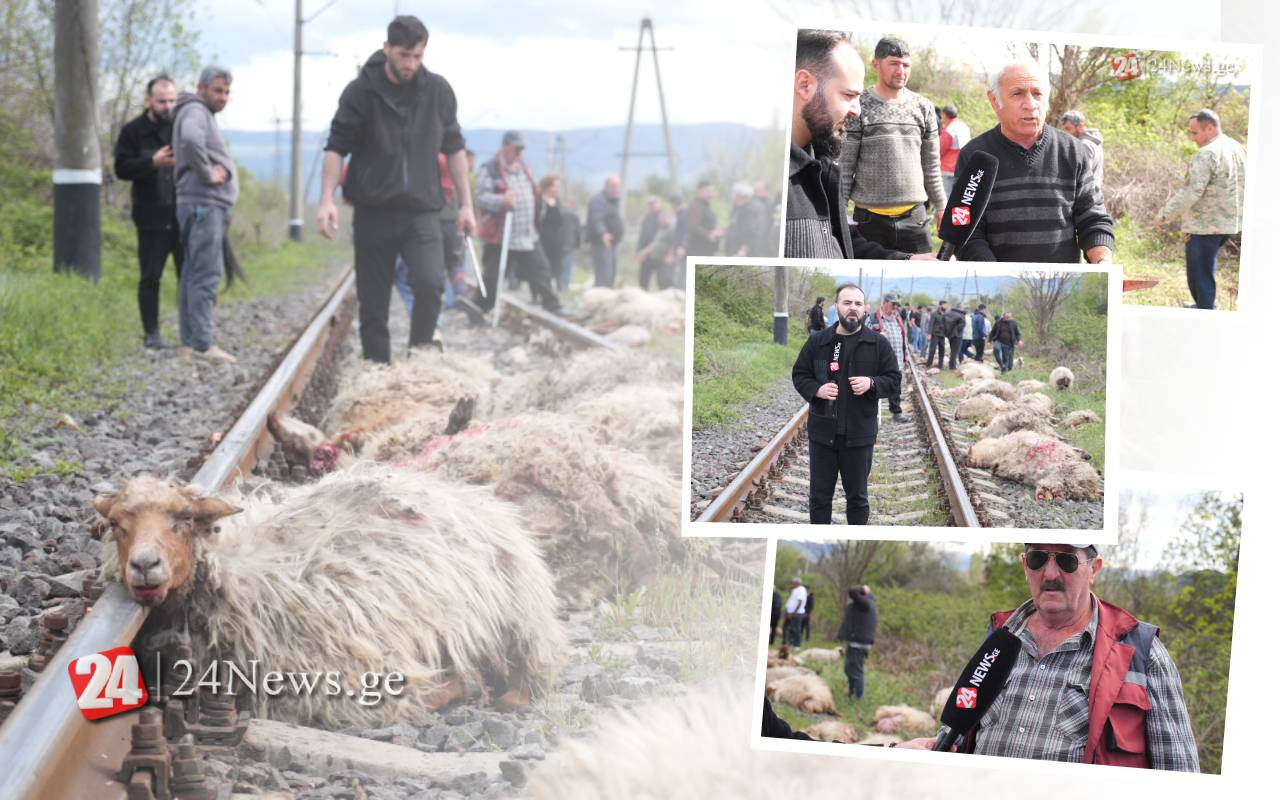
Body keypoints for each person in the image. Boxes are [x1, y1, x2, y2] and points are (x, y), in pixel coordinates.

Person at [899, 543, 1199, 771]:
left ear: (1094, 569)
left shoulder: (1141, 651)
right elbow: (958, 731)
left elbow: (1180, 775)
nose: (1050, 574)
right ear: (1024, 565)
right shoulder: (999, 637)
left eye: (1067, 561)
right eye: (1038, 558)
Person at [316, 16, 476, 363]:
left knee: (432, 284)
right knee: (373, 304)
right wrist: (327, 198)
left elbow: (454, 148)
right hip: (374, 211)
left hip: (422, 210)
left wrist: (467, 205)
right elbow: (336, 147)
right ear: (387, 48)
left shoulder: (438, 91)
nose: (410, 64)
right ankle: (379, 374)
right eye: (404, 55)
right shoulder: (360, 92)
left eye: (417, 56)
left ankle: (417, 358)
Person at [785, 29, 927, 261]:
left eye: (858, 97)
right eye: (848, 95)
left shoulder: (824, 169)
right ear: (804, 85)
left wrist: (906, 260)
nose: (857, 110)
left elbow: (840, 240)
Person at [953, 62, 1114, 263]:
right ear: (995, 101)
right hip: (997, 287)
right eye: (1018, 94)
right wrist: (996, 279)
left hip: (1064, 288)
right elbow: (964, 229)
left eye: (1037, 93)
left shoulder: (1073, 151)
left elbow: (1093, 218)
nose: (1030, 104)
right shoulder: (974, 157)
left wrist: (1103, 263)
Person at [791, 283, 902, 525]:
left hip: (859, 436)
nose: (852, 308)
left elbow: (894, 380)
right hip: (822, 435)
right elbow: (800, 374)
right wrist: (816, 389)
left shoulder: (877, 343)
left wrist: (872, 383)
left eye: (858, 304)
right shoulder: (818, 341)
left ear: (866, 309)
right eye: (847, 303)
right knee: (819, 498)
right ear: (836, 307)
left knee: (858, 499)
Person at [840, 37, 947, 254]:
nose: (901, 71)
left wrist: (943, 206)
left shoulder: (924, 107)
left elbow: (932, 167)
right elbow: (845, 168)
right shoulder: (858, 106)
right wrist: (839, 213)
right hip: (869, 222)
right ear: (876, 64)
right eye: (894, 64)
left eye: (906, 65)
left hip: (915, 221)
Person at [172, 65, 238, 364]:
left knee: (191, 272)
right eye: (217, 90)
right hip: (203, 204)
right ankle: (202, 344)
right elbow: (190, 139)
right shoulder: (196, 112)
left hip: (198, 204)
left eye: (226, 92)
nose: (222, 97)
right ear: (201, 88)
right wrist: (209, 174)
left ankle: (190, 342)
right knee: (206, 274)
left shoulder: (195, 111)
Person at [114, 75, 182, 350]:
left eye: (171, 101)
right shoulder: (133, 131)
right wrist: (151, 162)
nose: (167, 106)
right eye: (162, 101)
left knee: (188, 276)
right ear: (149, 101)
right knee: (151, 276)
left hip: (183, 215)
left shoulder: (181, 127)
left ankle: (193, 333)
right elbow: (121, 169)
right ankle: (151, 333)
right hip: (151, 216)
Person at [1154, 108, 1246, 310]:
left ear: (1210, 128)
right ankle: (1202, 307)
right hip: (1228, 223)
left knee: (1200, 274)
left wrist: (1164, 215)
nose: (1192, 138)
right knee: (1205, 270)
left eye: (1195, 133)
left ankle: (1205, 314)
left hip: (1205, 225)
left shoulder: (1207, 154)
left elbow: (1192, 192)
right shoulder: (1236, 147)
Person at [473, 131, 562, 314]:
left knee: (541, 270)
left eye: (522, 149)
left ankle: (553, 306)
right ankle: (479, 308)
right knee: (493, 277)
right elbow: (481, 197)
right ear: (505, 146)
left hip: (526, 233)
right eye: (517, 148)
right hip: (502, 234)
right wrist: (501, 201)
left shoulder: (523, 167)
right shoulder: (490, 169)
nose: (519, 153)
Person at [865, 293, 909, 422]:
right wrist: (877, 335)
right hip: (879, 360)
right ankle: (869, 414)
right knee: (875, 386)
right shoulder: (872, 318)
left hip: (897, 359)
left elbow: (903, 338)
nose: (895, 307)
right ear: (885, 303)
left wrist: (905, 355)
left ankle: (896, 413)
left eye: (897, 305)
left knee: (895, 387)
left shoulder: (898, 319)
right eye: (893, 304)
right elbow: (864, 336)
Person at [836, 585, 877, 700]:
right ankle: (851, 692)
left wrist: (863, 589)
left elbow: (852, 591)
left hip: (859, 644)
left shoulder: (866, 604)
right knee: (848, 668)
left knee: (857, 670)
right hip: (854, 642)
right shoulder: (860, 605)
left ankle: (858, 697)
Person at [587, 175, 624, 287]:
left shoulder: (613, 201)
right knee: (604, 273)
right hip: (602, 243)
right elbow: (596, 218)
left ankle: (608, 295)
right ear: (607, 186)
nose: (616, 188)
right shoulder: (599, 200)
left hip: (612, 244)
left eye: (618, 186)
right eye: (613, 186)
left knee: (611, 273)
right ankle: (601, 297)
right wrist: (603, 233)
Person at [536, 174, 570, 292]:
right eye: (555, 186)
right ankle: (538, 289)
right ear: (548, 187)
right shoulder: (539, 201)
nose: (557, 189)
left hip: (556, 241)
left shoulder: (557, 201)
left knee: (554, 266)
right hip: (542, 239)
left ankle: (551, 287)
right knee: (541, 265)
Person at [1060, 110, 1104, 192]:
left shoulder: (1084, 145)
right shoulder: (1094, 142)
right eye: (1064, 129)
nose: (1065, 133)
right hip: (1093, 196)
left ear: (1080, 126)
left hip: (1086, 198)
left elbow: (1082, 178)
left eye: (1068, 129)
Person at [724, 182, 766, 256]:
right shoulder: (740, 207)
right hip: (734, 247)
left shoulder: (751, 210)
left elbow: (751, 233)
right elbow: (735, 225)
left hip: (742, 251)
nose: (733, 198)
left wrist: (743, 250)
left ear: (743, 196)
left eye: (735, 195)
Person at [939, 104, 971, 196]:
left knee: (947, 197)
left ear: (944, 115)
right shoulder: (963, 126)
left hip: (949, 169)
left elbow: (940, 149)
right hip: (963, 166)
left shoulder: (949, 130)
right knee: (960, 196)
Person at [685, 180, 721, 257]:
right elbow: (693, 226)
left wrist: (717, 229)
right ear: (699, 191)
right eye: (707, 191)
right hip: (698, 250)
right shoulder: (696, 205)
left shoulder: (707, 207)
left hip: (707, 250)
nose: (710, 194)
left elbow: (708, 223)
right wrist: (709, 235)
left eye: (712, 191)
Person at [784, 578, 808, 647]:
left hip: (797, 613)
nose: (792, 584)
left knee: (797, 629)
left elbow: (800, 602)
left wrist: (794, 612)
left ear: (797, 583)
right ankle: (790, 643)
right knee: (791, 629)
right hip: (791, 612)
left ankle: (797, 645)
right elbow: (791, 601)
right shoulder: (795, 590)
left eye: (793, 583)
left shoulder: (801, 590)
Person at [927, 300, 949, 369]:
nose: (945, 306)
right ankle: (929, 364)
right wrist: (929, 334)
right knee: (932, 350)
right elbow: (931, 324)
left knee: (942, 350)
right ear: (940, 305)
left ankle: (940, 365)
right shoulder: (934, 314)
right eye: (944, 305)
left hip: (942, 335)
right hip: (935, 334)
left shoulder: (946, 314)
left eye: (946, 305)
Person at [945, 302, 966, 370]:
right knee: (955, 351)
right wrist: (957, 330)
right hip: (958, 336)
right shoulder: (961, 314)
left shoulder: (950, 313)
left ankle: (951, 364)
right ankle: (952, 367)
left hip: (950, 335)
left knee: (952, 350)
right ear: (960, 308)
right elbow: (962, 325)